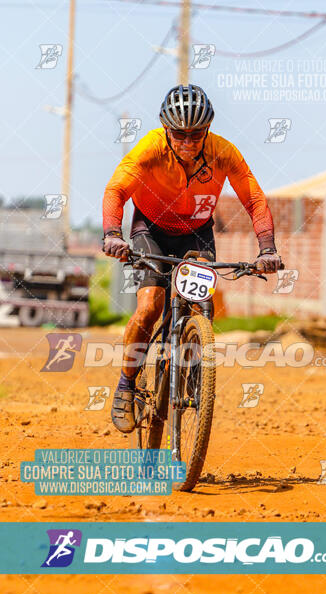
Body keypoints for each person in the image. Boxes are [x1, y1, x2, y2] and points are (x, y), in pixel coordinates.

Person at [102, 84, 281, 433]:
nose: (187, 142)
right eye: (179, 134)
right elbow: (116, 190)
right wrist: (112, 234)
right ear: (166, 130)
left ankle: (194, 362)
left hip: (197, 232)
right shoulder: (150, 148)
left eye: (196, 134)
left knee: (200, 306)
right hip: (150, 229)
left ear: (207, 130)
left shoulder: (224, 152)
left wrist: (267, 248)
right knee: (150, 306)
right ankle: (126, 384)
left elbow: (254, 199)